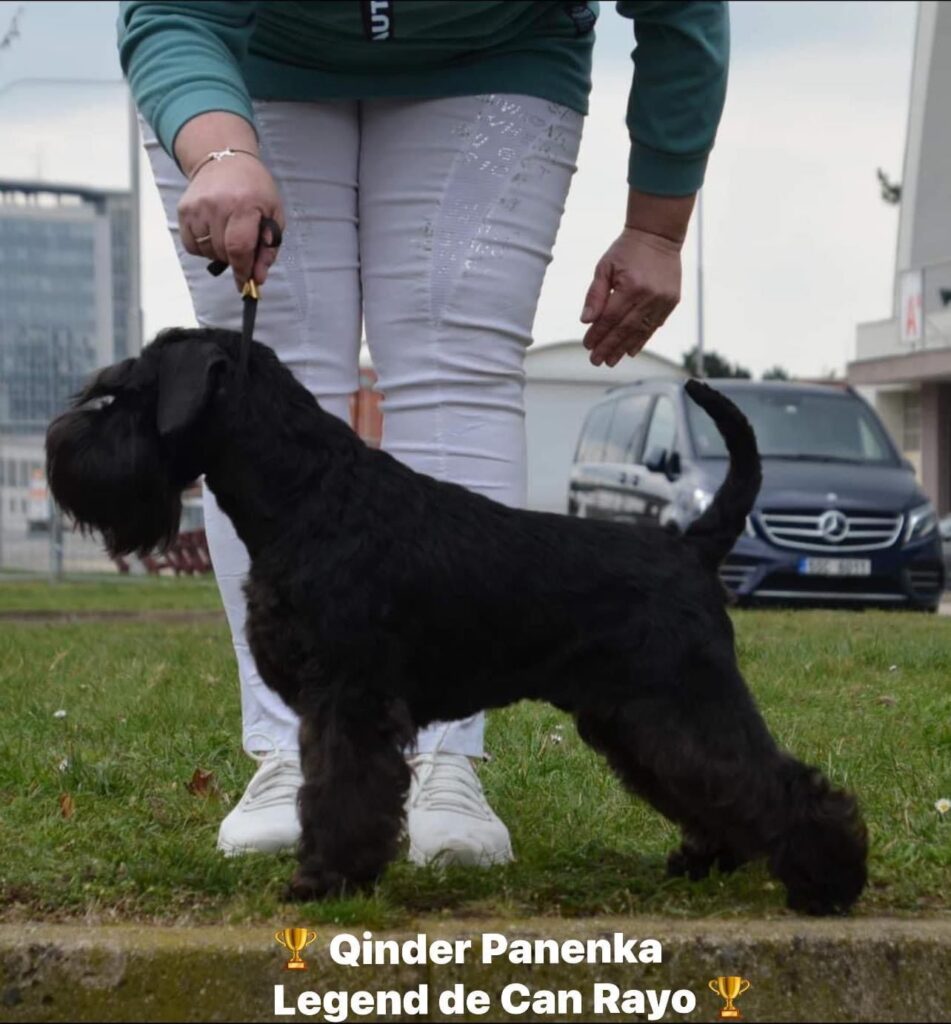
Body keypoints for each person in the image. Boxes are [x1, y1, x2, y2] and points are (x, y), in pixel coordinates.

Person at [118, 0, 729, 865]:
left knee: (459, 364)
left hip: (496, 49)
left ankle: (446, 758)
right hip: (250, 48)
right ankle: (297, 752)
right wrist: (219, 149)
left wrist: (656, 224)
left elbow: (682, 8)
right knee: (268, 376)